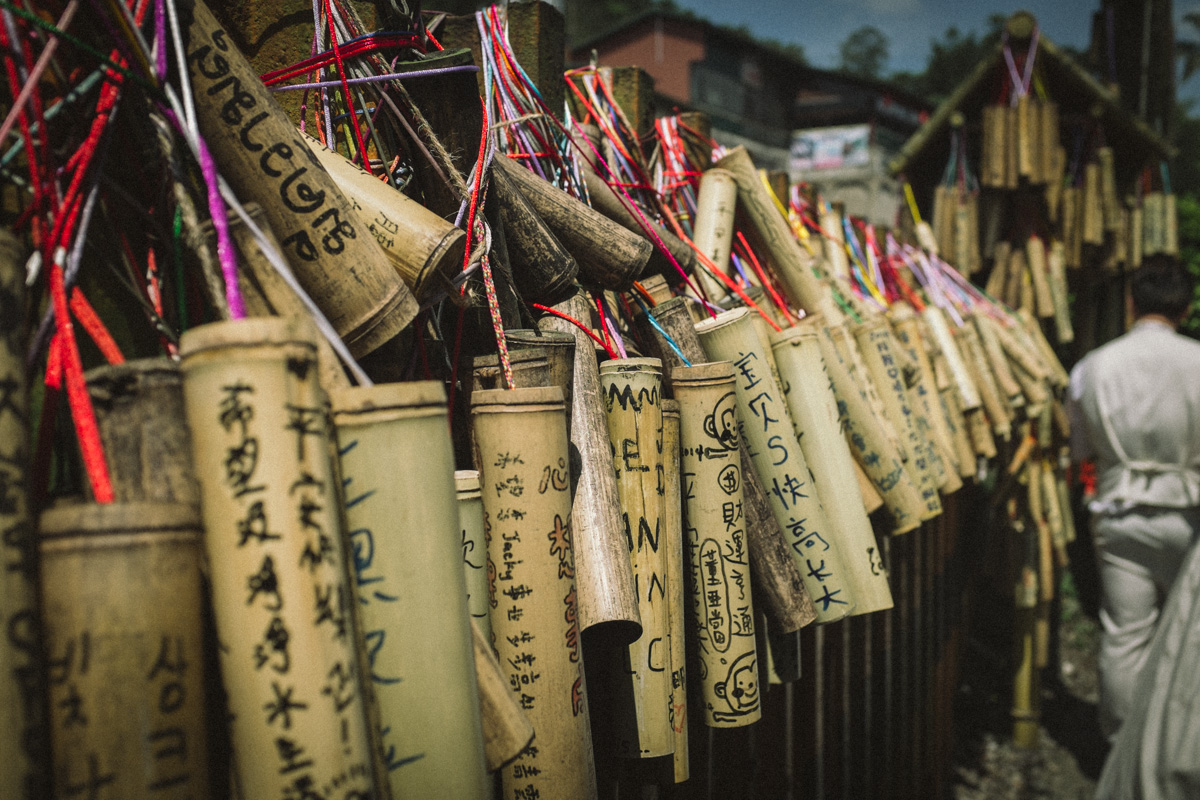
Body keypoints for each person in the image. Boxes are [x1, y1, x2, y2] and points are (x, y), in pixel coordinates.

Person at [1067, 257, 1200, 741]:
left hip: (1119, 511)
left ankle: (1120, 746)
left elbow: (1080, 450)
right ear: (1185, 308)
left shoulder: (1094, 367)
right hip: (1188, 514)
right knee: (1190, 639)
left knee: (1125, 635)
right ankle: (1180, 750)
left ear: (1130, 303)